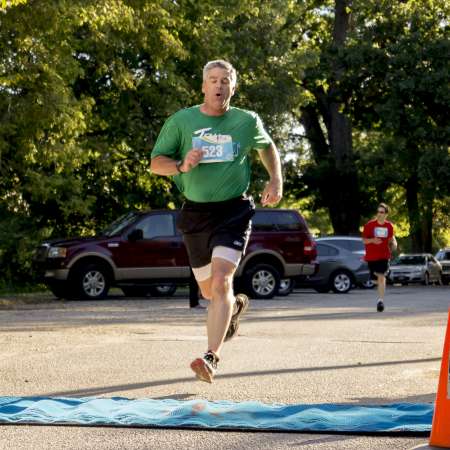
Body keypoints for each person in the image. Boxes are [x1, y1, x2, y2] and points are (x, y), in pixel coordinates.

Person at [150, 59, 283, 383]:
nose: (219, 85)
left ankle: (211, 357)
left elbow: (267, 147)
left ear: (233, 87)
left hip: (234, 211)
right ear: (203, 86)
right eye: (213, 79)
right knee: (210, 292)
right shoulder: (182, 121)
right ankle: (233, 309)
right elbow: (156, 163)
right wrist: (182, 165)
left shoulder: (246, 120)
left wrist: (275, 179)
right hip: (195, 213)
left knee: (223, 280)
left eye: (225, 80)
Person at [362, 203, 397, 312]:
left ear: (386, 214)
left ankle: (380, 301)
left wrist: (394, 243)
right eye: (378, 212)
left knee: (381, 277)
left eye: (382, 212)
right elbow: (364, 240)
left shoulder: (389, 226)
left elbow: (391, 239)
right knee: (375, 280)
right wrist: (372, 240)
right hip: (371, 257)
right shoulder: (369, 225)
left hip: (384, 256)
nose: (379, 214)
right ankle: (377, 281)